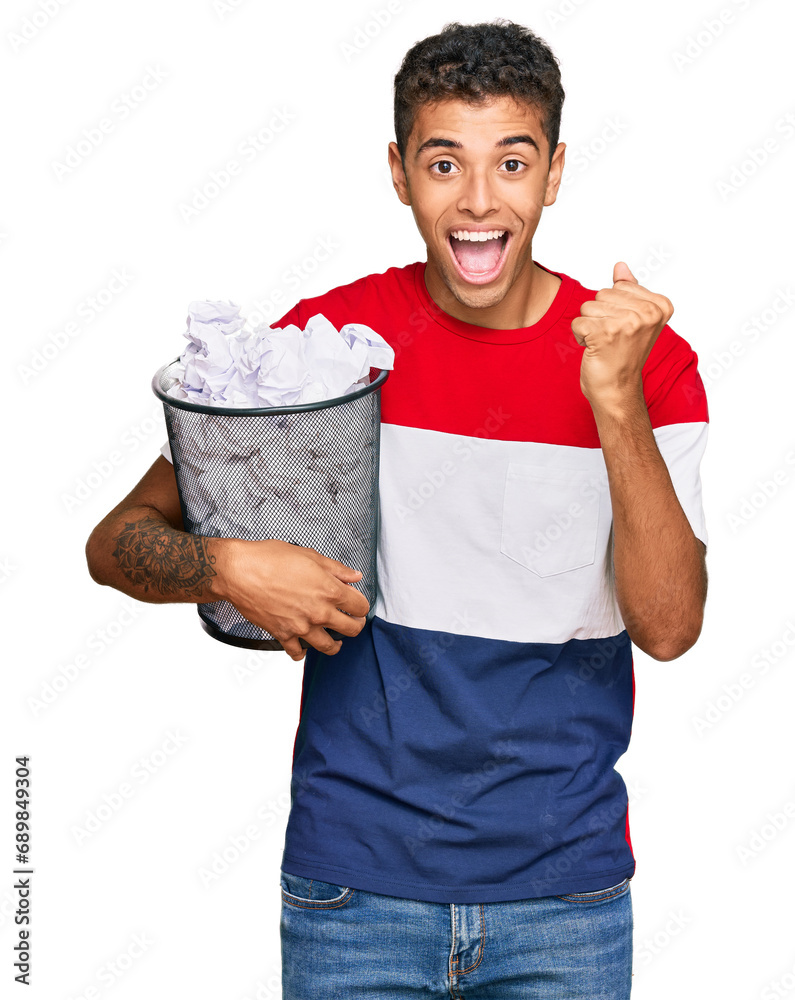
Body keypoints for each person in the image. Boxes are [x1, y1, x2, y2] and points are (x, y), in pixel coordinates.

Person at [85, 18, 709, 998]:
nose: (477, 201)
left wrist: (615, 400)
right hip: (354, 896)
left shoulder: (646, 361)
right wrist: (226, 565)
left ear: (552, 173)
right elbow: (115, 541)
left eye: (511, 162)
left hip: (566, 905)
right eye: (442, 162)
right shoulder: (326, 352)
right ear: (397, 170)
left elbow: (669, 627)